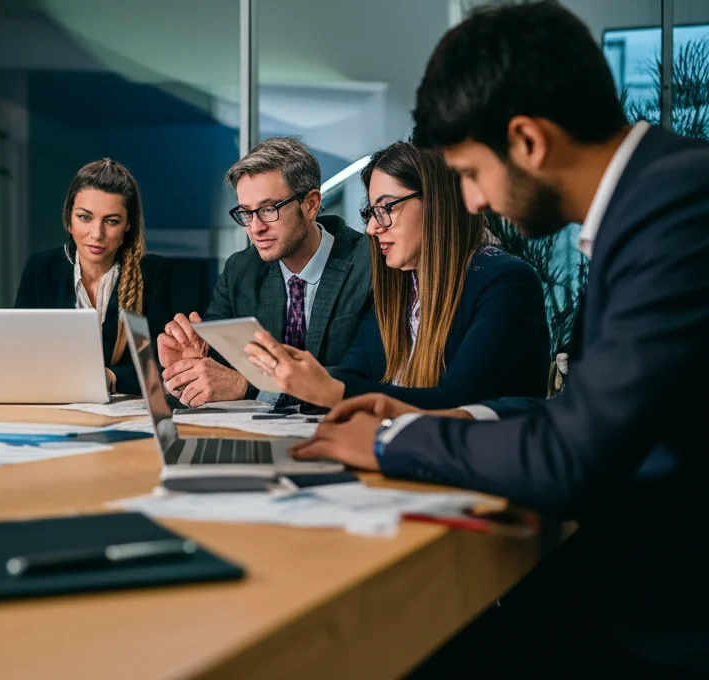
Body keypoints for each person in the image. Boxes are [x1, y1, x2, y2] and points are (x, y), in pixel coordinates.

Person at [292, 2, 709, 676]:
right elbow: (583, 415)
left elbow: (572, 456)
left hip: (669, 612)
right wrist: (447, 415)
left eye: (468, 172)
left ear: (528, 141)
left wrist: (391, 440)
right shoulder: (654, 198)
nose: (474, 201)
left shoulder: (675, 210)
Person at [243, 141, 549, 409]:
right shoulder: (402, 285)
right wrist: (300, 375)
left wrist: (332, 391)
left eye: (386, 208)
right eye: (371, 213)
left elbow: (457, 403)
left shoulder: (506, 283)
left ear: (437, 203)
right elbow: (355, 374)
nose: (373, 228)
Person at [157, 136, 371, 407]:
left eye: (268, 209)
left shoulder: (368, 263)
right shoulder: (240, 270)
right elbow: (221, 371)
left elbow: (367, 376)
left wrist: (250, 386)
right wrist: (194, 365)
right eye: (247, 213)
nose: (255, 228)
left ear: (311, 204)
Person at [14, 158, 171, 396]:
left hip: (125, 413)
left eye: (111, 221)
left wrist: (111, 378)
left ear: (128, 225)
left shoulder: (150, 273)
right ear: (69, 219)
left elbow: (161, 366)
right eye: (85, 217)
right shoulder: (40, 269)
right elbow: (18, 355)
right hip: (52, 404)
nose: (96, 234)